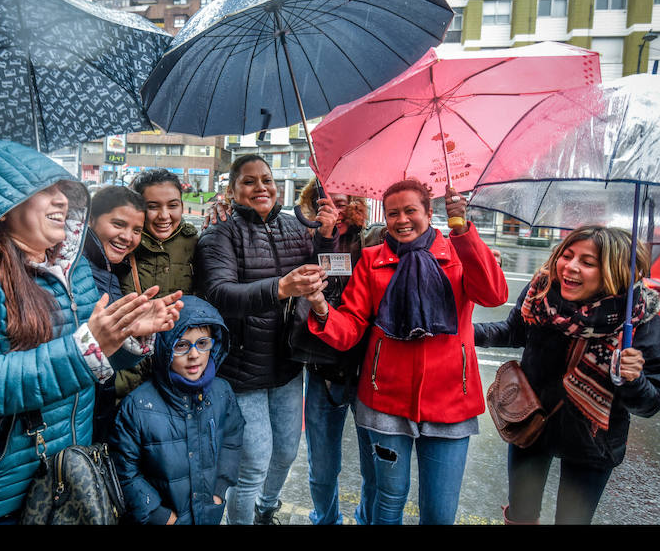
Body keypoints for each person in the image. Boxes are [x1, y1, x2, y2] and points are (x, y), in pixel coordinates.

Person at [0, 139, 182, 524]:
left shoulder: (73, 270)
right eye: (44, 192)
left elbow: (86, 364)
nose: (61, 202)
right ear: (3, 206)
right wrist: (89, 347)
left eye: (63, 191)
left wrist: (124, 335)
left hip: (58, 484)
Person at [303, 178, 508, 524]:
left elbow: (494, 295)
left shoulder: (459, 252)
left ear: (429, 212)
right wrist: (322, 309)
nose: (402, 220)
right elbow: (351, 327)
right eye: (393, 213)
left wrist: (465, 232)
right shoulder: (371, 260)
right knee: (387, 503)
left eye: (410, 210)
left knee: (439, 514)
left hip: (450, 403)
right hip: (385, 402)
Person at [474, 225, 660, 525]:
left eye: (587, 262)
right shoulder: (542, 292)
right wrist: (465, 333)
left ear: (613, 271)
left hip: (594, 442)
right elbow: (514, 330)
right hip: (531, 424)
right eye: (567, 255)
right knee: (521, 516)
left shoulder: (638, 318)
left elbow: (652, 401)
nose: (571, 266)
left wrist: (632, 379)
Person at [196, 155, 339, 525]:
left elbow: (329, 279)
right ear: (231, 190)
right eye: (249, 181)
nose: (261, 187)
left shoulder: (295, 227)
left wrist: (327, 237)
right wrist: (280, 287)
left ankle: (266, 510)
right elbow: (219, 293)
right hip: (241, 371)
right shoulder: (219, 232)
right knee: (253, 463)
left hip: (288, 363)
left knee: (287, 452)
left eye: (267, 179)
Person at [109, 296, 245, 525]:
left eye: (202, 343)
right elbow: (124, 470)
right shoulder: (138, 406)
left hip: (208, 512)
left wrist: (218, 492)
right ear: (164, 350)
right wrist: (160, 516)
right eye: (181, 345)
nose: (193, 355)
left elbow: (232, 439)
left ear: (214, 343)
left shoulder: (222, 392)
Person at [294, 178, 383, 525]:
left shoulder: (371, 238)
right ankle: (325, 519)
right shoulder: (303, 236)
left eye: (343, 201)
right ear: (311, 205)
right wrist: (323, 234)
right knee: (323, 466)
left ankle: (366, 519)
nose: (336, 207)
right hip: (322, 366)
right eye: (326, 201)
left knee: (374, 466)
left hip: (366, 368)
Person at [83, 185, 182, 442]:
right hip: (78, 408)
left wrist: (134, 333)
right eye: (118, 224)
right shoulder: (78, 268)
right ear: (91, 220)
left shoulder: (110, 270)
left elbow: (104, 356)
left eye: (137, 230)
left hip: (95, 405)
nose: (128, 237)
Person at [123, 168, 199, 298]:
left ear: (181, 205)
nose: (164, 216)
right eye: (153, 206)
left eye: (173, 205)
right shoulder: (123, 242)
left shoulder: (195, 243)